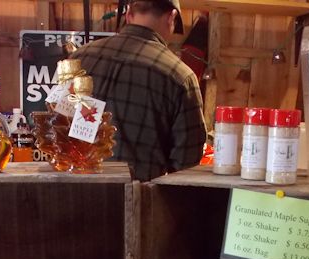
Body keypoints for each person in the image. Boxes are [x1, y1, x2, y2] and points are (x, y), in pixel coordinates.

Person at [69, 0, 206, 181]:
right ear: (171, 17)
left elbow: (56, 127)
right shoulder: (180, 76)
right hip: (138, 201)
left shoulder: (79, 57)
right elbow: (186, 165)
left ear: (129, 14)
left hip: (76, 193)